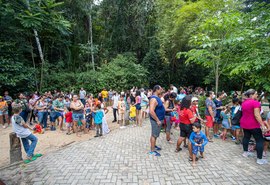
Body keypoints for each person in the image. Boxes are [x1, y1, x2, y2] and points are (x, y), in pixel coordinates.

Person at [240, 89, 268, 165]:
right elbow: (257, 115)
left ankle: (245, 153)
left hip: (244, 123)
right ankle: (259, 159)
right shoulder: (255, 103)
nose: (257, 95)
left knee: (246, 137)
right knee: (259, 140)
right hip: (253, 124)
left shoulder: (244, 103)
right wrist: (262, 125)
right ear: (251, 95)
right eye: (256, 94)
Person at [175, 95, 196, 162]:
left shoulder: (181, 109)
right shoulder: (188, 110)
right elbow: (192, 121)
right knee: (190, 140)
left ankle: (177, 149)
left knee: (181, 137)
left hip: (182, 124)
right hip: (188, 126)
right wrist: (195, 116)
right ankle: (191, 156)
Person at [149, 85, 165, 157]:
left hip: (158, 119)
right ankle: (152, 151)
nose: (161, 90)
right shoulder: (154, 99)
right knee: (154, 135)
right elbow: (151, 111)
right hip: (156, 120)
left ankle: (154, 146)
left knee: (155, 134)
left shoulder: (157, 97)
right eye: (160, 89)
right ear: (157, 90)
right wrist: (157, 120)